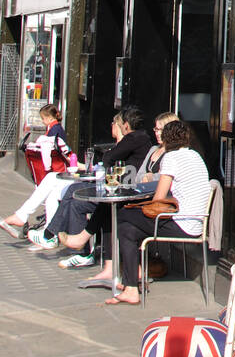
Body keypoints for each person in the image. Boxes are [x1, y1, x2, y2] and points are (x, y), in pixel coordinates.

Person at [79, 118, 209, 307]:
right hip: (196, 222)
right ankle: (131, 287)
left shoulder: (171, 158)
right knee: (127, 230)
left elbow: (158, 199)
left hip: (180, 223)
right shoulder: (195, 156)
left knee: (121, 214)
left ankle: (128, 278)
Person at [58, 112, 179, 282]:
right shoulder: (153, 150)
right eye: (156, 129)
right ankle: (108, 266)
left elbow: (165, 181)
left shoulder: (174, 155)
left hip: (156, 202)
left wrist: (151, 178)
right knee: (109, 206)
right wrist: (148, 178)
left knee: (112, 210)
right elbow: (139, 176)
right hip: (140, 194)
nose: (157, 133)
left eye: (160, 130)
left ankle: (87, 243)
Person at [29, 107, 153, 257]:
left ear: (125, 125)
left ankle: (52, 236)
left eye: (117, 124)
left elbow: (108, 159)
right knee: (75, 199)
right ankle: (78, 251)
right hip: (116, 186)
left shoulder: (134, 138)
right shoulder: (139, 138)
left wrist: (112, 151)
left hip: (121, 189)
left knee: (75, 191)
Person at [0, 105, 71, 239]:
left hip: (60, 170)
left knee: (50, 184)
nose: (43, 122)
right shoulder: (55, 129)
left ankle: (25, 218)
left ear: (49, 118)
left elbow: (52, 150)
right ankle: (48, 233)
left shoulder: (54, 131)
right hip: (62, 169)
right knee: (51, 195)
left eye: (43, 119)